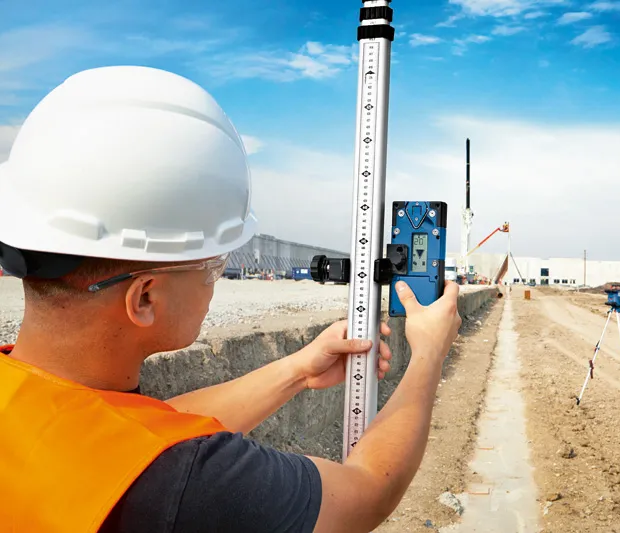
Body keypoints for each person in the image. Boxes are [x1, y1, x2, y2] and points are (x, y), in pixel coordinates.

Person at [0, 66, 462, 533]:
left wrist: (297, 369)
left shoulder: (23, 396)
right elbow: (366, 493)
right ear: (144, 298)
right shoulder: (189, 485)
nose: (215, 281)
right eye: (211, 267)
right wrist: (428, 352)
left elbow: (132, 432)